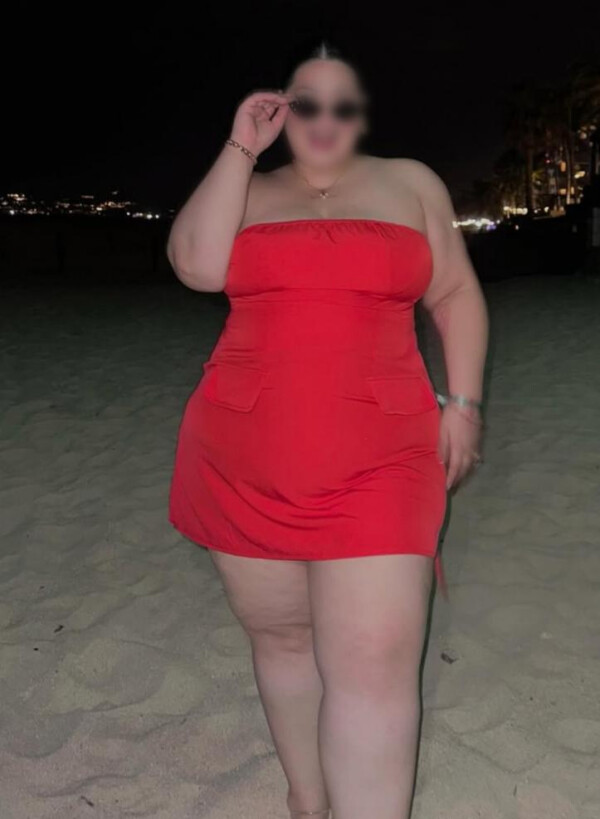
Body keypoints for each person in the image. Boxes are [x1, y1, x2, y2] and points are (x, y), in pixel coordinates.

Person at [167, 42, 488, 819]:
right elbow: (196, 266)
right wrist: (241, 146)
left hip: (385, 451)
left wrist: (463, 402)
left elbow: (455, 293)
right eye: (305, 102)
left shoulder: (410, 182)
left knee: (374, 657)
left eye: (342, 104)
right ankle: (308, 801)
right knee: (282, 639)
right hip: (245, 452)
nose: (324, 118)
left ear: (360, 114)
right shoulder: (246, 187)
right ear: (282, 110)